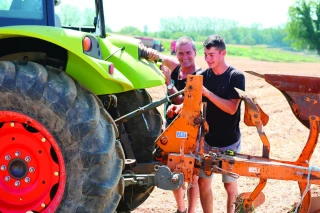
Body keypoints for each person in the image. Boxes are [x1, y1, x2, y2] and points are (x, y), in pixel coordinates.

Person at [166, 35, 245, 213]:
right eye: (206, 55)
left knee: (230, 186)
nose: (208, 59)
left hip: (229, 141)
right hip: (207, 141)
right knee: (203, 182)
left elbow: (232, 108)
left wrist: (207, 94)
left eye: (211, 55)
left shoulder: (236, 77)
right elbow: (190, 103)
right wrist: (177, 107)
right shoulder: (201, 76)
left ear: (223, 53)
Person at [147, 36, 202, 213]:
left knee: (192, 174)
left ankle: (191, 210)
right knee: (174, 169)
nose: (184, 57)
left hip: (191, 130)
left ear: (195, 52)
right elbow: (157, 57)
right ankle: (181, 209)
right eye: (180, 53)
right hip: (171, 128)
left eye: (188, 52)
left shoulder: (199, 75)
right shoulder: (176, 68)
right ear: (176, 53)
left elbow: (183, 101)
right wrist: (146, 51)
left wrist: (169, 82)